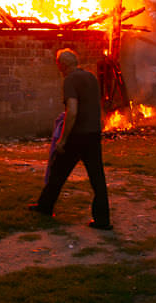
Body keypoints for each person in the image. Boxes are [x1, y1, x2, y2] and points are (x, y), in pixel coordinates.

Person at [30, 48, 112, 230]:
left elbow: (72, 111)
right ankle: (103, 220)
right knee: (97, 178)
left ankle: (45, 207)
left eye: (58, 63)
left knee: (58, 171)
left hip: (77, 135)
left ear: (63, 64)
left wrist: (63, 139)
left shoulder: (70, 80)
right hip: (93, 134)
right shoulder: (91, 77)